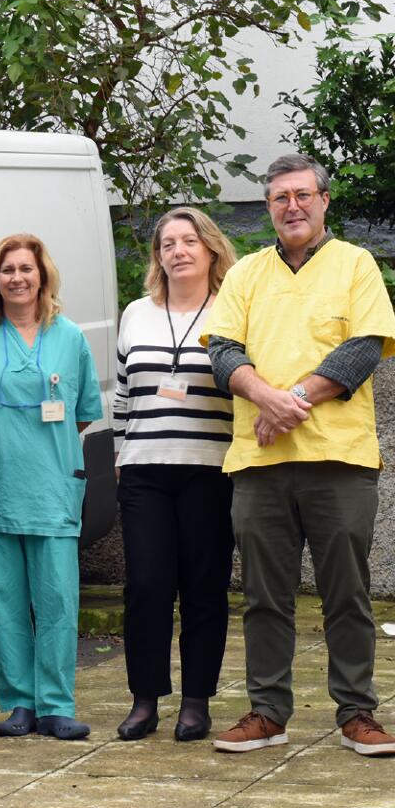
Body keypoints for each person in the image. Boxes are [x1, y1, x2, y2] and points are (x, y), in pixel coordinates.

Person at [203, 154, 395, 756]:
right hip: (260, 467)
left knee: (347, 592)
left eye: (302, 195)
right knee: (264, 596)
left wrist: (288, 400)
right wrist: (264, 397)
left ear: (324, 201)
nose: (292, 206)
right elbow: (222, 352)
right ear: (268, 208)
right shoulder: (247, 274)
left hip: (340, 461)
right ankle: (267, 712)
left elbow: (363, 348)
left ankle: (357, 713)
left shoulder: (355, 264)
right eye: (280, 197)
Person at [0, 233, 102, 740]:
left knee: (58, 601)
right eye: (8, 270)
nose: (18, 278)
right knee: (6, 601)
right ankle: (19, 703)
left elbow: (81, 417)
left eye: (26, 269)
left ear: (43, 276)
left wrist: (43, 451)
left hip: (53, 487)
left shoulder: (71, 339)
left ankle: (57, 705)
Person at [112, 208, 237, 743]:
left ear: (211, 250)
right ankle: (145, 699)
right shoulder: (136, 313)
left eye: (189, 241)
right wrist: (120, 457)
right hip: (144, 471)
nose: (178, 251)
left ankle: (196, 701)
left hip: (210, 470)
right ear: (157, 256)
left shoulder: (233, 311)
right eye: (168, 243)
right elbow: (122, 394)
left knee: (204, 587)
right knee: (145, 586)